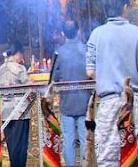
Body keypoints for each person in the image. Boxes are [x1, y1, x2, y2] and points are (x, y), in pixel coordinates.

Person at [86, 0, 138, 167]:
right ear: (124, 7)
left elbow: (90, 71)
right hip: (133, 101)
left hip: (107, 102)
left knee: (107, 154)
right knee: (137, 149)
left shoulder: (96, 34)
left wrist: (107, 75)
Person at [53, 20, 91, 166]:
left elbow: (54, 77)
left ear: (63, 34)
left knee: (68, 140)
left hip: (66, 102)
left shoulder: (59, 52)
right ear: (78, 31)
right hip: (84, 102)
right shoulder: (86, 49)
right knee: (85, 138)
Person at [0, 43, 31, 167]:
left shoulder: (0, 69)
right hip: (20, 112)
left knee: (12, 146)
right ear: (18, 53)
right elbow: (29, 87)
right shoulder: (19, 68)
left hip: (5, 113)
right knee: (21, 148)